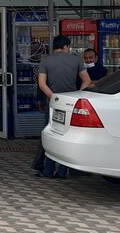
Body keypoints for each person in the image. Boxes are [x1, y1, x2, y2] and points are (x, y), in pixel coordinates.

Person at [32, 35, 91, 178]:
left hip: (53, 102)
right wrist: (77, 94)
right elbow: (86, 80)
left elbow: (41, 83)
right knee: (66, 134)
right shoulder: (75, 60)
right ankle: (63, 171)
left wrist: (53, 97)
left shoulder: (45, 61)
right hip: (70, 102)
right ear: (66, 47)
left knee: (51, 134)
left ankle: (48, 170)